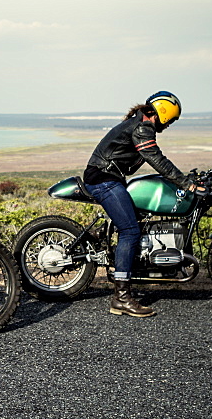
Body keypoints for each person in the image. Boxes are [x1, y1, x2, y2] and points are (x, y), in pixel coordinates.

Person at [83, 91, 203, 318]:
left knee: (136, 220)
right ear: (165, 113)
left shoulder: (138, 122)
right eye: (172, 120)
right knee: (129, 231)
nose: (170, 125)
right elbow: (155, 157)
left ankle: (105, 241)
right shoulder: (143, 126)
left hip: (108, 177)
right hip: (103, 180)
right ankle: (121, 297)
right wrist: (186, 183)